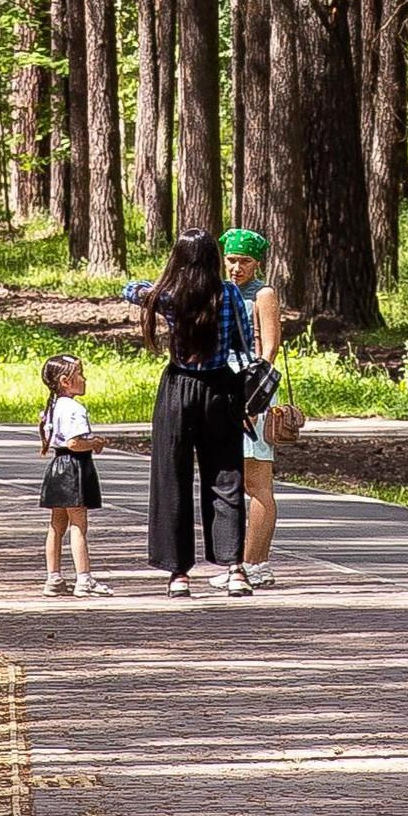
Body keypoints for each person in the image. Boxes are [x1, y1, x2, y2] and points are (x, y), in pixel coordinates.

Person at [132, 233, 248, 596]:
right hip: (220, 389)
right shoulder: (228, 294)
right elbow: (242, 342)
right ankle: (234, 568)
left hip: (178, 388)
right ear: (214, 257)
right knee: (226, 475)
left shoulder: (167, 295)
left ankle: (178, 573)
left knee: (172, 477)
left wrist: (162, 281)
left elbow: (130, 289)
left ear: (178, 259)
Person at [217, 227, 302, 592]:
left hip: (251, 395)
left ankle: (253, 563)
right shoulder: (223, 290)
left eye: (245, 261)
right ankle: (251, 563)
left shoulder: (263, 294)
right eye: (232, 260)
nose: (236, 268)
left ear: (258, 263)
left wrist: (252, 399)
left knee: (256, 482)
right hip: (225, 389)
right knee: (236, 480)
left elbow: (268, 349)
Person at [36, 354, 107, 594]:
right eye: (81, 374)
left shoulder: (52, 406)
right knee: (79, 524)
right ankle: (84, 579)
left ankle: (53, 577)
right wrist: (96, 442)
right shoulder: (75, 408)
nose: (85, 379)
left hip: (57, 466)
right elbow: (75, 442)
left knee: (56, 524)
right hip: (75, 468)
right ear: (66, 381)